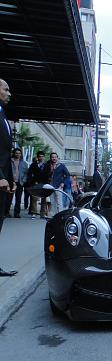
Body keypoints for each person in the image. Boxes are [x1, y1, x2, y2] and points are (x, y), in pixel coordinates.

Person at [0, 78, 17, 276]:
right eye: (6, 89)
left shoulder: (3, 115)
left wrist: (11, 179)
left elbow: (6, 153)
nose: (9, 93)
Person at [5, 147, 28, 218]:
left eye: (19, 153)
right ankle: (6, 212)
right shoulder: (9, 162)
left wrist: (23, 181)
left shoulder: (24, 163)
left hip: (20, 183)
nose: (18, 154)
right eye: (16, 153)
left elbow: (26, 174)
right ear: (14, 154)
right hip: (11, 182)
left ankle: (17, 213)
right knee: (9, 198)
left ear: (21, 154)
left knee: (18, 199)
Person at [44, 152, 70, 217]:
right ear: (50, 158)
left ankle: (60, 215)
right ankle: (53, 215)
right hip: (50, 186)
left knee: (59, 201)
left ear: (57, 158)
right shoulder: (48, 165)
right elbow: (44, 174)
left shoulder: (61, 166)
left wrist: (63, 183)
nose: (54, 158)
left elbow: (67, 175)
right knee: (52, 201)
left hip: (58, 186)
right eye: (52, 157)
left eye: (55, 157)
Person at [26, 150, 47, 219]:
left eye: (42, 156)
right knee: (34, 198)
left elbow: (49, 174)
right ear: (37, 157)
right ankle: (34, 212)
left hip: (44, 183)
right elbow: (29, 174)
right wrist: (33, 180)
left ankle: (42, 213)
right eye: (40, 156)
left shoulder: (46, 165)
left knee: (43, 199)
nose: (41, 158)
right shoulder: (33, 164)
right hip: (35, 183)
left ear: (44, 157)